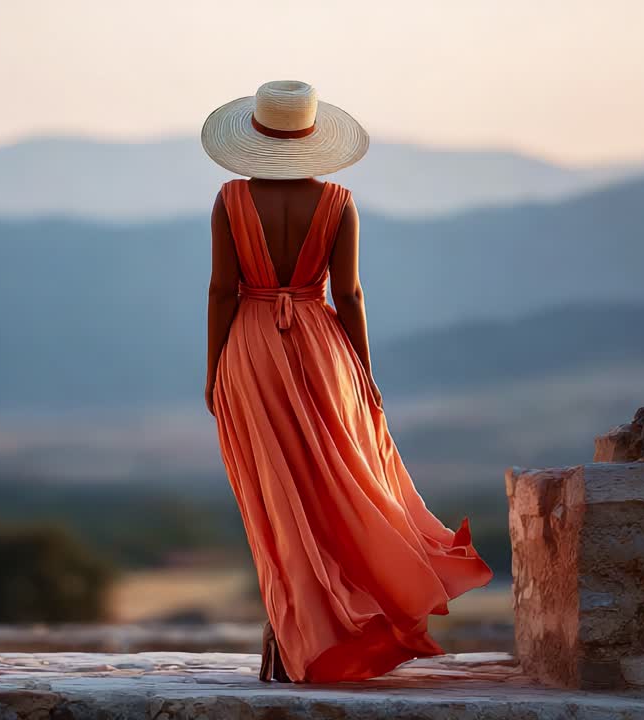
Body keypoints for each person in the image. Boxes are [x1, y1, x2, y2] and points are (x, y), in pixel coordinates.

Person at [201, 81, 493, 683]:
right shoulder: (337, 201)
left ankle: (291, 637)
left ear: (255, 137)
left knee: (278, 501)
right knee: (337, 490)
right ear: (313, 139)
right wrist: (362, 368)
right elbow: (350, 293)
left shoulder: (230, 200)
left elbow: (220, 291)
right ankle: (320, 632)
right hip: (321, 347)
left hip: (250, 349)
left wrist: (213, 371)